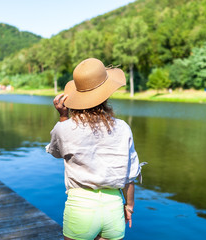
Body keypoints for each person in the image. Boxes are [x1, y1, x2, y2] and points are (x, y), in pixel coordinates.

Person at [46, 58, 143, 240]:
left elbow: (57, 152)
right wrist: (129, 206)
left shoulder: (64, 128)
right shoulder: (122, 127)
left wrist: (63, 117)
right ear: (105, 95)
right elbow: (130, 175)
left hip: (81, 209)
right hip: (113, 208)